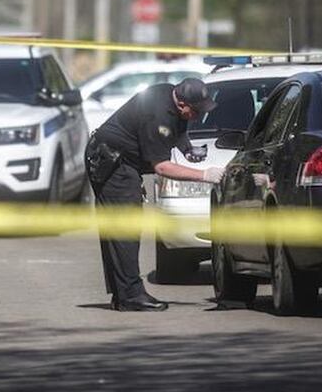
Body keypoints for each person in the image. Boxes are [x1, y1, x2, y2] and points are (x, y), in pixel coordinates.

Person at [85, 78, 225, 312]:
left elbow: (177, 127)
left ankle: (123, 295)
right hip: (112, 162)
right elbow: (162, 167)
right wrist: (205, 174)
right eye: (196, 110)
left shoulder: (167, 93)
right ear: (181, 103)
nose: (199, 116)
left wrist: (187, 149)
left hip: (118, 160)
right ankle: (131, 295)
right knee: (124, 230)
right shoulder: (157, 115)